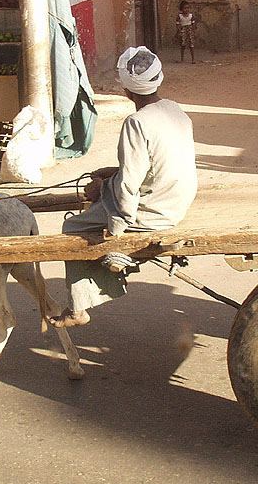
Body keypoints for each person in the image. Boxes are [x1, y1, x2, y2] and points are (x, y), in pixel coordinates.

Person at [50, 47, 198, 328]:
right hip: (176, 201)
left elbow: (129, 186)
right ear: (159, 78)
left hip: (154, 213)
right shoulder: (174, 110)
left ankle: (79, 307)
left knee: (72, 229)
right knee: (103, 197)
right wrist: (110, 176)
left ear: (126, 91)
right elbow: (151, 166)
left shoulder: (137, 122)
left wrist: (116, 230)